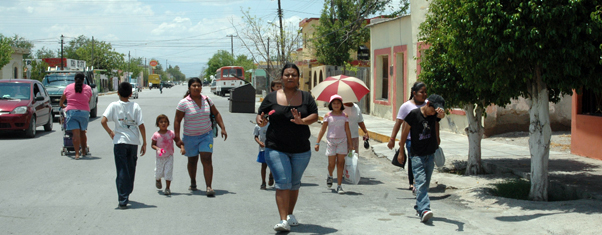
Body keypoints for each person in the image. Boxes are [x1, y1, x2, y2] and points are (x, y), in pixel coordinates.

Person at [256, 63, 318, 232]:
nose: (290, 77)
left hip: (301, 149)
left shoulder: (306, 97)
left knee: (294, 183)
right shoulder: (271, 97)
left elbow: (315, 115)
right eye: (287, 74)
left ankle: (290, 214)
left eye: (294, 75)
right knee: (283, 182)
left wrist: (302, 121)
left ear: (298, 78)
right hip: (276, 147)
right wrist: (261, 121)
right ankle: (283, 221)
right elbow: (260, 116)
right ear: (282, 77)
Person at [174, 77, 227, 197]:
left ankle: (209, 186)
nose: (196, 88)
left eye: (198, 85)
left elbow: (216, 113)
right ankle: (193, 182)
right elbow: (177, 120)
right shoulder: (183, 103)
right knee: (192, 161)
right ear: (189, 88)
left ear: (201, 87)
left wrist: (223, 128)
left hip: (206, 135)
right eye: (194, 86)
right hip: (190, 136)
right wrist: (177, 138)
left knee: (207, 159)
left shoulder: (207, 100)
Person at [387, 82, 444, 192]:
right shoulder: (406, 106)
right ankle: (412, 183)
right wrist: (392, 139)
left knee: (424, 163)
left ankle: (419, 185)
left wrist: (437, 137)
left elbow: (436, 122)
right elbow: (398, 123)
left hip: (426, 139)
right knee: (414, 161)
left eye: (425, 92)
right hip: (410, 139)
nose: (424, 94)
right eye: (421, 92)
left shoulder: (429, 105)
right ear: (414, 93)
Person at [398, 94, 445, 223]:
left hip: (430, 155)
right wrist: (401, 152)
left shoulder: (434, 115)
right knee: (421, 182)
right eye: (432, 110)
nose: (433, 113)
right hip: (416, 155)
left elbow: (441, 117)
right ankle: (424, 209)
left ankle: (419, 205)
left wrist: (441, 115)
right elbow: (404, 133)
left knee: (425, 184)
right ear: (428, 104)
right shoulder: (413, 114)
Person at [100, 82, 147, 209]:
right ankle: (126, 193)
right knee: (131, 169)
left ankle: (123, 197)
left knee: (121, 169)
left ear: (118, 93)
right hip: (132, 143)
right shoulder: (135, 106)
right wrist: (144, 143)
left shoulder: (113, 105)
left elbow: (103, 121)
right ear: (131, 94)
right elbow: (141, 125)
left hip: (119, 142)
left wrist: (111, 132)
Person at [315, 94, 353, 194]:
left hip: (342, 142)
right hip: (331, 142)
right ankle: (330, 175)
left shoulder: (345, 116)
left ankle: (339, 186)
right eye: (334, 103)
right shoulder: (328, 116)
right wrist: (317, 142)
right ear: (331, 105)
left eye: (338, 103)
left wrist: (350, 144)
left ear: (341, 104)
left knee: (340, 163)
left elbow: (347, 130)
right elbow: (323, 129)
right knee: (331, 164)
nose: (336, 105)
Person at [255, 80, 282, 190]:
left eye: (281, 86)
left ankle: (271, 175)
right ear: (272, 88)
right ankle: (263, 181)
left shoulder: (285, 99)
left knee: (274, 161)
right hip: (265, 141)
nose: (279, 88)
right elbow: (261, 113)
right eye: (277, 86)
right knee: (264, 164)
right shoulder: (269, 99)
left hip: (276, 135)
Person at [59, 72, 92, 160]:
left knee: (75, 134)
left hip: (72, 112)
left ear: (74, 79)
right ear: (83, 79)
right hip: (84, 112)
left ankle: (77, 154)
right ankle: (84, 152)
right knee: (83, 133)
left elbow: (62, 98)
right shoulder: (88, 88)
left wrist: (61, 105)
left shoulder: (68, 87)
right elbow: (88, 100)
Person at [152, 114, 184, 196]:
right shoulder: (156, 135)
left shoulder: (171, 133)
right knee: (159, 172)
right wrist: (157, 148)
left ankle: (167, 188)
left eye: (165, 122)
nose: (163, 123)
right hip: (160, 157)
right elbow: (152, 145)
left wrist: (182, 147)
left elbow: (177, 141)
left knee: (168, 172)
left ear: (168, 123)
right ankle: (158, 179)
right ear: (158, 124)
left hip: (169, 156)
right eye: (161, 122)